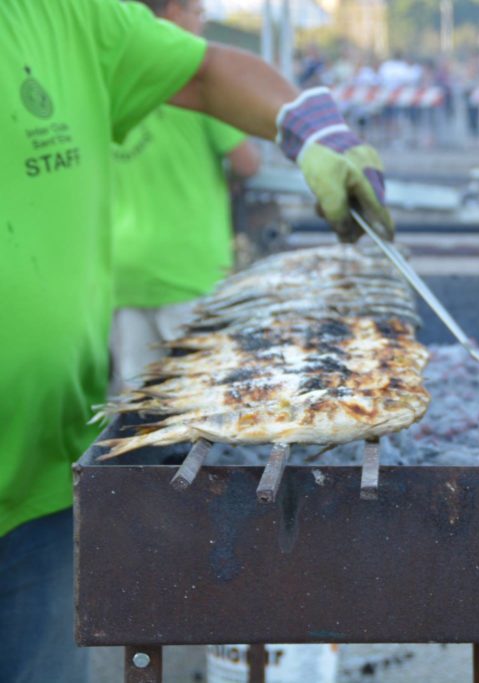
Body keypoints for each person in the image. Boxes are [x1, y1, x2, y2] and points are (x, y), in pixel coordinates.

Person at [0, 1, 392, 681]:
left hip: (37, 488)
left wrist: (313, 129)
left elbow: (208, 71)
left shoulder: (66, 13)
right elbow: (238, 162)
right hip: (180, 271)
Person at [109, 0, 261, 394]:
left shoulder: (112, 73)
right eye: (199, 13)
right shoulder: (194, 77)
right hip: (188, 267)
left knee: (137, 403)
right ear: (175, 10)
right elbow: (247, 163)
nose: (201, 23)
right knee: (205, 399)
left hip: (122, 267)